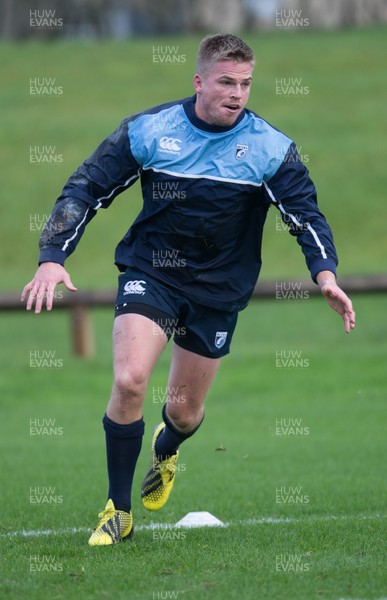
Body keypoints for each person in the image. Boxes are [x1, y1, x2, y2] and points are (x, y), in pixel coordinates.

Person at [21, 34, 356, 546]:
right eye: (226, 81)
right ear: (199, 81)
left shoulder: (268, 148)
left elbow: (304, 213)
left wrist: (325, 274)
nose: (237, 93)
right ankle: (119, 511)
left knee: (182, 410)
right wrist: (52, 259)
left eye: (245, 83)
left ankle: (168, 445)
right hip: (151, 272)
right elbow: (86, 187)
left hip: (218, 288)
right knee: (131, 380)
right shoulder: (151, 130)